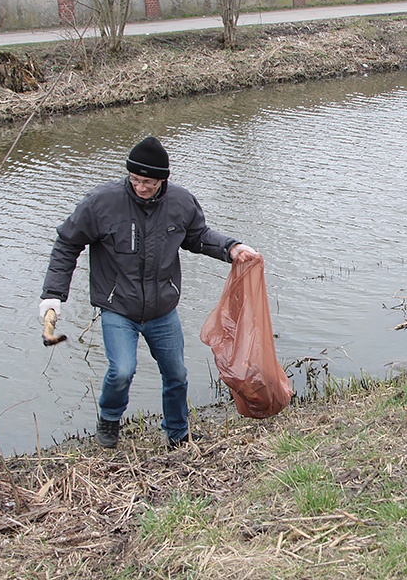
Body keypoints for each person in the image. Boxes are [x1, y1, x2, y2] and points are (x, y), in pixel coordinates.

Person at [39, 136, 260, 449]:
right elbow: (67, 243)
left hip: (162, 308)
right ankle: (110, 420)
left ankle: (178, 434)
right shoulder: (101, 203)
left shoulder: (181, 203)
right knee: (122, 371)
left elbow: (198, 237)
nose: (141, 187)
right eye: (135, 179)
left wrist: (231, 247)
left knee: (177, 374)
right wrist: (53, 296)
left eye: (149, 182)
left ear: (163, 180)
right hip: (118, 307)